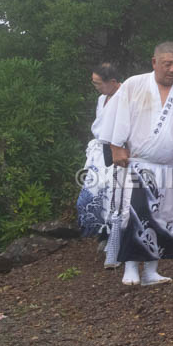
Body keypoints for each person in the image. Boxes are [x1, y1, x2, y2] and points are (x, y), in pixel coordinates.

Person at [99, 42, 173, 286]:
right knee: (134, 214)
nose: (172, 69)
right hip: (139, 163)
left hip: (169, 165)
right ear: (154, 62)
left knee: (164, 217)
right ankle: (130, 269)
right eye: (167, 64)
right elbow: (114, 117)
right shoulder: (133, 85)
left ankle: (151, 270)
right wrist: (115, 147)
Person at [76, 63, 121, 266]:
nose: (96, 87)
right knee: (91, 197)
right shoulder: (102, 99)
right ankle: (102, 233)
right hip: (99, 153)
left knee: (115, 197)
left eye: (98, 83)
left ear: (112, 82)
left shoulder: (126, 96)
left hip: (118, 150)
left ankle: (116, 242)